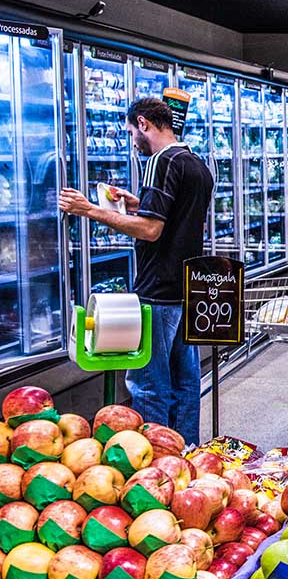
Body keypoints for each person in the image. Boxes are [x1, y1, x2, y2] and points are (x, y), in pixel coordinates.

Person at [59, 98, 214, 445]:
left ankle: (156, 459)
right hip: (188, 289)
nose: (132, 140)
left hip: (157, 291)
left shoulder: (161, 160)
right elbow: (182, 221)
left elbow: (150, 230)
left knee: (149, 384)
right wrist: (137, 203)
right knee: (185, 381)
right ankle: (185, 452)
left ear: (143, 124)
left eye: (131, 132)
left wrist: (89, 210)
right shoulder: (196, 165)